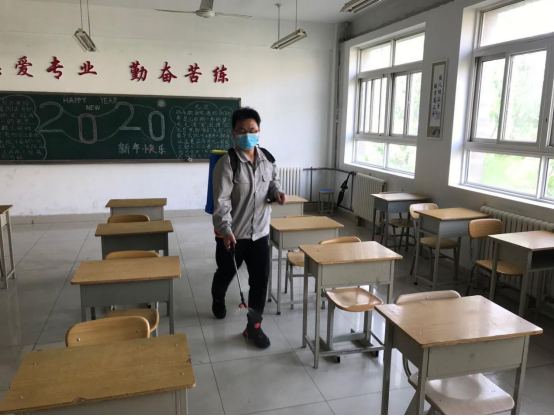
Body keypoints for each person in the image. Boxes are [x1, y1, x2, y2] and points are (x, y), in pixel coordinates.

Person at [212, 107, 287, 349]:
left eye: (252, 130)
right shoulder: (227, 164)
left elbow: (273, 182)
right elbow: (221, 202)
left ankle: (253, 326)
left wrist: (276, 192)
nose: (248, 135)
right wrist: (225, 230)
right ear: (234, 133)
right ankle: (218, 296)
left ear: (259, 131)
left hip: (260, 234)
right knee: (226, 273)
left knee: (260, 281)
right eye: (242, 131)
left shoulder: (268, 159)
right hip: (233, 235)